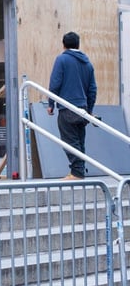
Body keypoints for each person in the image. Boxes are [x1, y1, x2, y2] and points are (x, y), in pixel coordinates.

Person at [47, 31, 97, 180]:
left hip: (67, 107)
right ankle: (79, 171)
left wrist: (51, 104)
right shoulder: (87, 63)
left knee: (70, 141)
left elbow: (55, 83)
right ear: (78, 44)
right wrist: (89, 109)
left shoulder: (62, 59)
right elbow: (92, 89)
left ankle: (77, 172)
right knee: (79, 141)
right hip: (83, 109)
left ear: (64, 45)